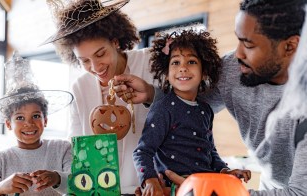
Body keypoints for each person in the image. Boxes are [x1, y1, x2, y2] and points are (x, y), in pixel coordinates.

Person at [113, 0, 307, 195]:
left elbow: (300, 191)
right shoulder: (234, 67)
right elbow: (188, 106)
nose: (237, 54)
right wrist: (151, 93)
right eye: (238, 40)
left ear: (290, 46)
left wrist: (209, 189)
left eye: (248, 45)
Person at [43, 0, 154, 194]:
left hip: (152, 187)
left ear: (115, 41)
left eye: (100, 54)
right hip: (104, 190)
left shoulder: (150, 62)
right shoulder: (80, 88)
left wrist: (151, 94)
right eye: (84, 61)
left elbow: (187, 109)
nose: (95, 68)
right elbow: (78, 149)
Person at [133, 28, 251, 196]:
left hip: (205, 188)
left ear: (204, 72)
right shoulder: (162, 108)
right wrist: (150, 181)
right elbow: (142, 151)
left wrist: (225, 172)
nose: (183, 68)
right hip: (175, 189)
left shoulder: (206, 110)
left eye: (191, 62)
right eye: (175, 62)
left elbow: (210, 151)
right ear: (166, 73)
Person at [0, 52, 73, 196]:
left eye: (36, 116)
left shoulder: (62, 148)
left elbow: (81, 184)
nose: (29, 123)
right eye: (20, 118)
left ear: (45, 120)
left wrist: (57, 178)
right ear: (8, 124)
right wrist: (0, 188)